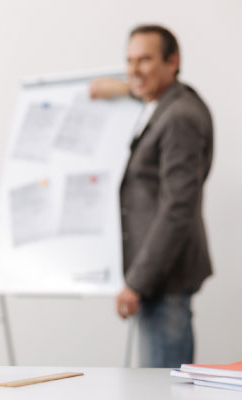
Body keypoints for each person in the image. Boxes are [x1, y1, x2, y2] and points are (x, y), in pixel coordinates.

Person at [89, 25, 213, 367]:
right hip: (161, 276)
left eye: (145, 60)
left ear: (173, 61)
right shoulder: (170, 100)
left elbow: (178, 209)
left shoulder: (180, 119)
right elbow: (141, 87)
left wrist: (136, 283)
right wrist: (117, 87)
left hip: (163, 278)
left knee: (161, 387)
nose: (134, 70)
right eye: (129, 61)